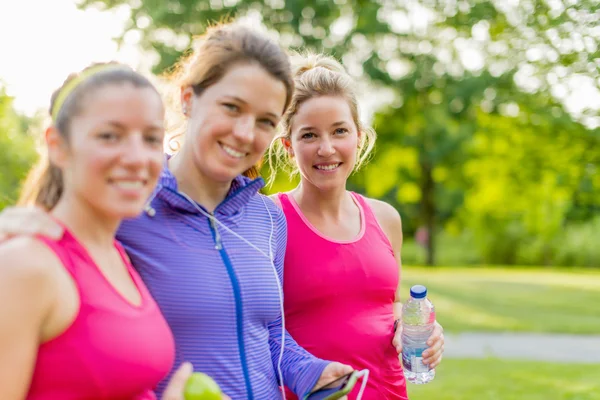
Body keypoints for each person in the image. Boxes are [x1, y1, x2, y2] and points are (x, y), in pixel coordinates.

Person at [0, 23, 351, 399]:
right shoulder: (126, 205)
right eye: (231, 107)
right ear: (187, 99)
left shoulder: (267, 219)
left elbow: (269, 334)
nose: (246, 133)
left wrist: (311, 372)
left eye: (266, 121)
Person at [0, 63, 196, 399]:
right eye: (110, 135)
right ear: (58, 146)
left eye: (151, 138)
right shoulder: (26, 265)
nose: (137, 158)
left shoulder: (115, 255)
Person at [267, 53, 445, 399]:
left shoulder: (385, 218)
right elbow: (257, 327)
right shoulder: (269, 219)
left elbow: (387, 304)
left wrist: (423, 329)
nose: (326, 148)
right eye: (309, 135)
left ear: (359, 137)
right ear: (288, 147)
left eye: (339, 131)